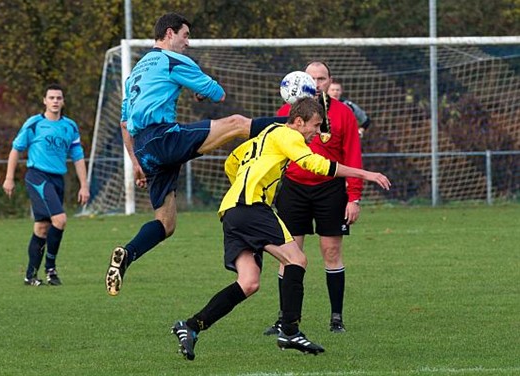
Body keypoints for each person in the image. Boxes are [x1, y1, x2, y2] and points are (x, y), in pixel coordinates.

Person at [171, 97, 391, 360]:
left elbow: (231, 161)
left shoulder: (262, 137)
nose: (317, 132)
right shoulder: (288, 134)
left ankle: (191, 326)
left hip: (231, 211)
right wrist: (366, 174)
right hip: (251, 207)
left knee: (249, 282)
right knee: (296, 258)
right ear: (298, 122)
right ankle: (289, 330)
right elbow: (315, 164)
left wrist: (243, 186)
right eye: (315, 125)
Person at [105, 12, 285, 296]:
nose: (188, 42)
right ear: (169, 33)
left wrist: (135, 163)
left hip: (142, 147)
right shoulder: (172, 60)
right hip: (162, 137)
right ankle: (295, 125)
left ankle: (127, 255)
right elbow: (218, 93)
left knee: (166, 224)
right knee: (237, 124)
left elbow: (125, 123)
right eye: (185, 35)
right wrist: (201, 91)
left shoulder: (136, 71)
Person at [264, 61, 363, 335]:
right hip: (293, 189)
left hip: (330, 190)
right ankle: (286, 319)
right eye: (311, 78)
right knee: (288, 254)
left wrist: (353, 197)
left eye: (321, 78)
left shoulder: (344, 114)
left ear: (330, 81)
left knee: (331, 252)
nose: (317, 83)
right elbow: (272, 155)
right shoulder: (285, 113)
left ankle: (336, 317)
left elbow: (353, 155)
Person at [3, 83, 90, 286]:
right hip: (38, 177)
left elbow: (78, 157)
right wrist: (9, 177)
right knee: (59, 220)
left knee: (42, 228)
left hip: (57, 179)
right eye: (51, 98)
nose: (55, 101)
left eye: (58, 98)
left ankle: (30, 276)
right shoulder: (34, 124)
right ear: (44, 100)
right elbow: (16, 149)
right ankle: (51, 269)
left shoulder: (70, 126)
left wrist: (84, 185)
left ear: (63, 101)